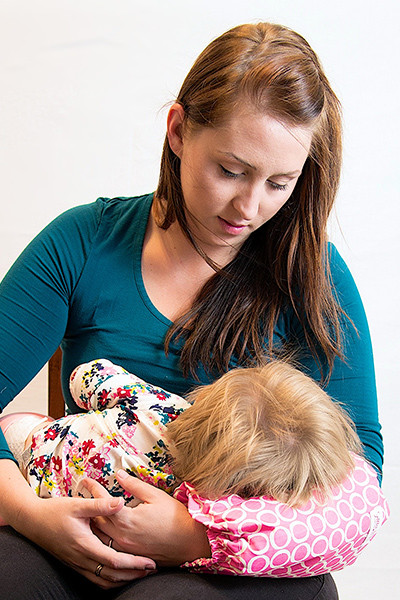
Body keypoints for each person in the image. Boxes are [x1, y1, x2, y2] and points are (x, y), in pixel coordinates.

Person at [0, 20, 383, 600]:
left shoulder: (313, 275)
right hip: (82, 520)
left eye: (279, 183)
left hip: (243, 548)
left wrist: (196, 536)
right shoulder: (82, 242)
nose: (249, 206)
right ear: (178, 130)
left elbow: (361, 466)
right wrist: (27, 513)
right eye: (230, 170)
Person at [0, 357, 388, 578]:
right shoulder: (200, 503)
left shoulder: (154, 404)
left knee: (22, 427)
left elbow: (85, 377)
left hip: (41, 451)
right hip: (55, 499)